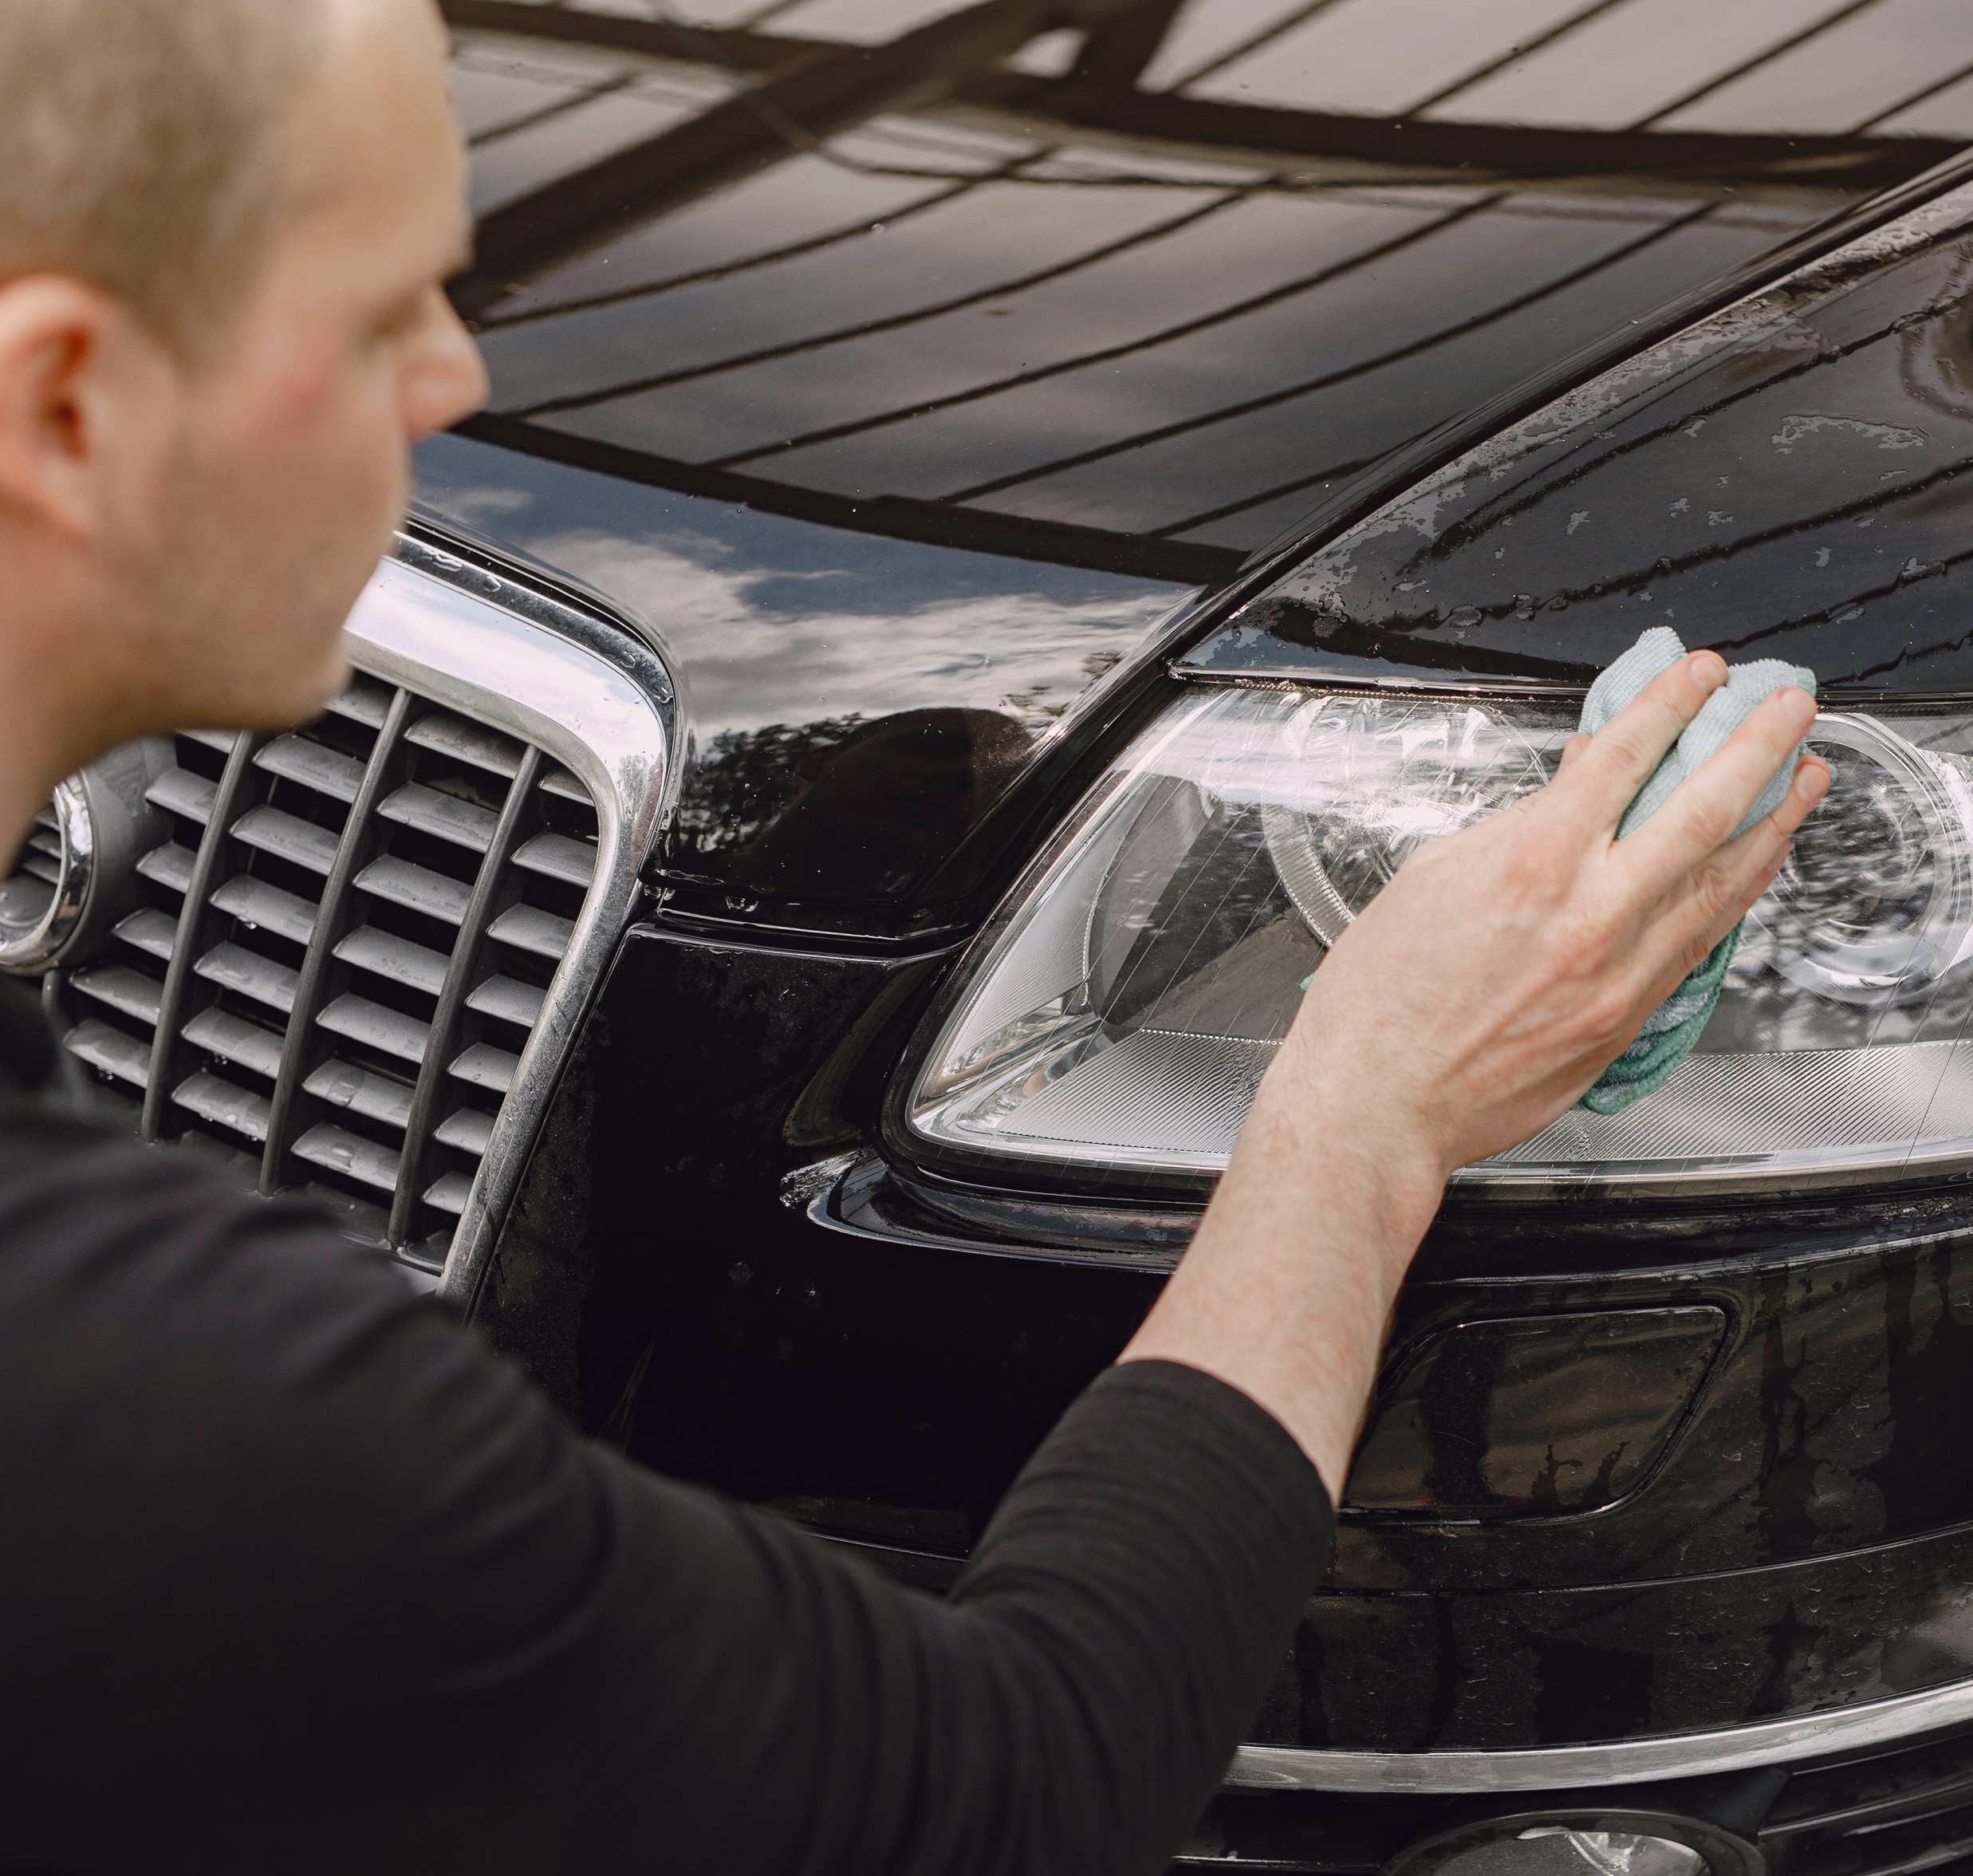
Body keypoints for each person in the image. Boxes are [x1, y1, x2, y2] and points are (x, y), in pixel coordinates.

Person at [0, 1, 1829, 1870]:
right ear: (66, 404)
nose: (453, 378)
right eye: (381, 310)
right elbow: (1013, 1780)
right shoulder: (158, 1394)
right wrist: (1366, 1105)